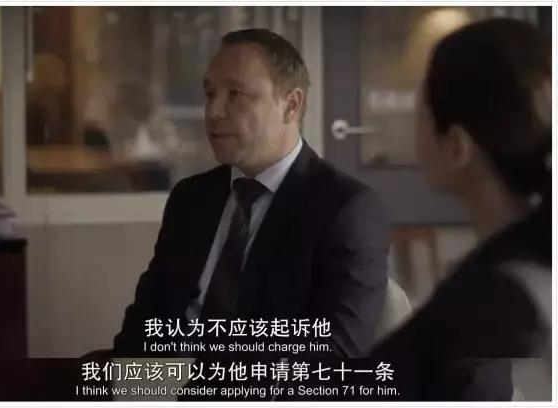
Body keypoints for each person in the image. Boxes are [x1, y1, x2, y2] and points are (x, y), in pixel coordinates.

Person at [111, 28, 389, 363]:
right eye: (210, 93)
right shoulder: (191, 198)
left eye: (236, 94)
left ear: (291, 105)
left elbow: (334, 354)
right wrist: (132, 382)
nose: (213, 111)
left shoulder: (346, 209)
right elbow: (144, 323)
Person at [372, 18, 551, 400]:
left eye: (421, 116)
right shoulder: (516, 267)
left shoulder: (487, 305)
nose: (413, 134)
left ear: (456, 146)